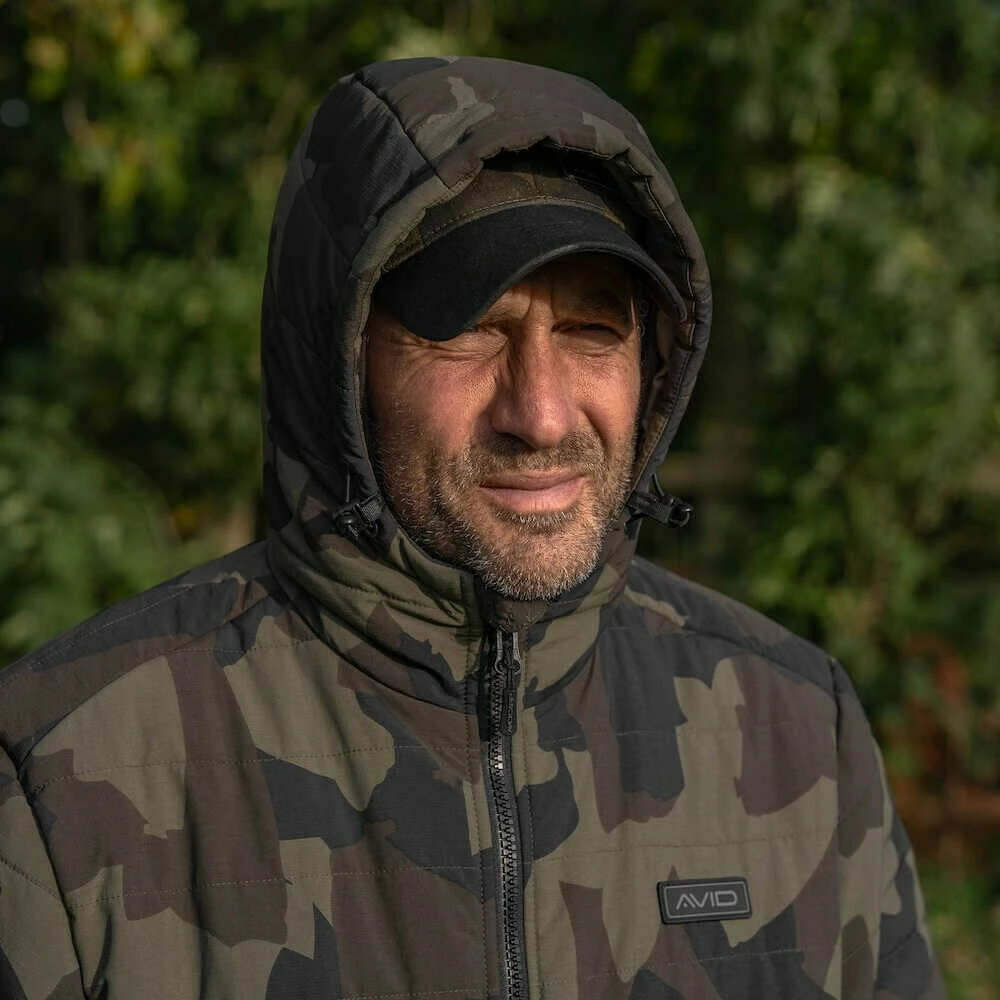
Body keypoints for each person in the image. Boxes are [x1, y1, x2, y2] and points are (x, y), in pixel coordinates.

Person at [0, 56, 944, 1000]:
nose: (541, 415)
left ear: (656, 362)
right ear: (341, 364)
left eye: (592, 330)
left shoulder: (798, 728)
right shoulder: (64, 771)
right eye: (470, 330)